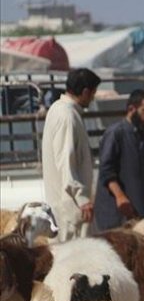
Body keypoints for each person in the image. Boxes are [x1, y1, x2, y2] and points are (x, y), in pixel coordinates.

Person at [94, 89, 144, 231]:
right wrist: (120, 197)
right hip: (115, 215)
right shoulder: (115, 133)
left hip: (139, 214)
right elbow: (107, 172)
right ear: (131, 109)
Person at [41, 68, 101, 242]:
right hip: (71, 208)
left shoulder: (59, 109)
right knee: (76, 254)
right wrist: (82, 198)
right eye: (92, 94)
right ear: (85, 92)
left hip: (68, 206)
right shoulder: (67, 115)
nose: (92, 98)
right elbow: (66, 161)